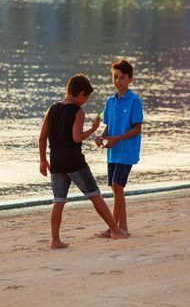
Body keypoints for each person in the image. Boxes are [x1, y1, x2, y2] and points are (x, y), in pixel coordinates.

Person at [39, 73, 129, 249]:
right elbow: (76, 137)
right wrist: (93, 128)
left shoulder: (52, 109)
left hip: (56, 162)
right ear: (80, 94)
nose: (86, 100)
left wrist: (43, 160)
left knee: (58, 201)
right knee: (95, 195)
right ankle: (115, 230)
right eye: (86, 97)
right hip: (74, 162)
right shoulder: (78, 112)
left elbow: (42, 138)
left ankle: (55, 240)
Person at [95, 59, 143, 236]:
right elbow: (109, 126)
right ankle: (123, 227)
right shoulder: (110, 101)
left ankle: (113, 228)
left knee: (117, 185)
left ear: (130, 79)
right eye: (115, 77)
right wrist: (103, 136)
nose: (118, 81)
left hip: (127, 151)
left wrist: (116, 139)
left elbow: (137, 128)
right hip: (113, 151)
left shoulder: (134, 101)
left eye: (122, 77)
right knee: (117, 189)